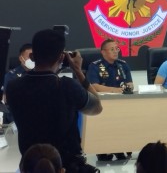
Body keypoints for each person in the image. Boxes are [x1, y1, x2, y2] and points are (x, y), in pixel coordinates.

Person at [6, 29, 102, 173]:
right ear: (62, 58)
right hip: (66, 165)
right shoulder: (67, 86)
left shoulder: (13, 88)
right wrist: (78, 70)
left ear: (32, 56)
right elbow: (96, 107)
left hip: (30, 164)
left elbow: (40, 85)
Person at [86, 38, 133, 161]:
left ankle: (119, 147)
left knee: (124, 121)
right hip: (102, 104)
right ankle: (102, 149)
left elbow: (130, 83)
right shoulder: (95, 66)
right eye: (112, 49)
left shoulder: (123, 65)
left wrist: (127, 87)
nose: (115, 51)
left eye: (117, 48)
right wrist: (114, 90)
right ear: (103, 52)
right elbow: (94, 86)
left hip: (121, 104)